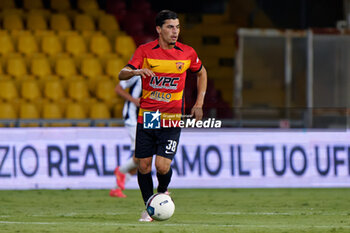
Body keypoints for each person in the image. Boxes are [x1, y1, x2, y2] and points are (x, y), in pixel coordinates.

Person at [118, 9, 207, 222]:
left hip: (172, 118)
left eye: (177, 27)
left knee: (162, 166)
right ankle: (150, 207)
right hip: (148, 117)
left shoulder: (187, 53)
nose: (175, 31)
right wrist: (136, 71)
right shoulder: (145, 51)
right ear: (159, 29)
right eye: (170, 27)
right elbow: (122, 73)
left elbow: (201, 72)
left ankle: (163, 191)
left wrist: (199, 102)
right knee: (143, 165)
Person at [109, 75, 142, 198]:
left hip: (146, 119)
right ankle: (121, 171)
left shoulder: (158, 74)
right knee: (141, 156)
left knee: (141, 160)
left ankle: (116, 189)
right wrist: (134, 100)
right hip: (132, 117)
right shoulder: (137, 73)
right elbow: (118, 89)